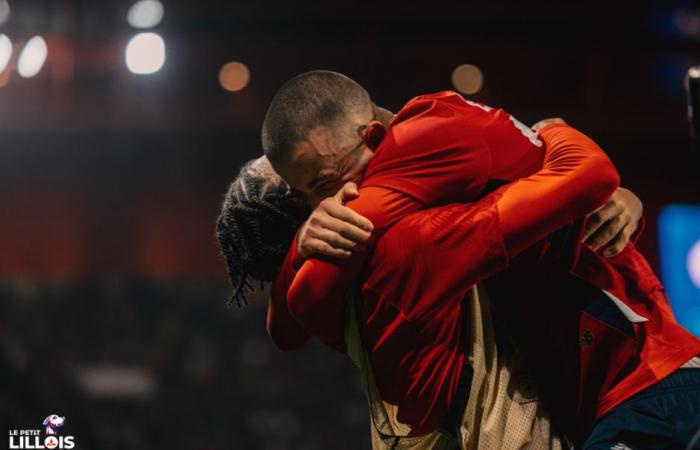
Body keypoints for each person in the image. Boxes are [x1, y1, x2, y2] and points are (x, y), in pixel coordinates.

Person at [252, 70, 700, 447]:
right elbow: (291, 319)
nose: (327, 204)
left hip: (645, 379)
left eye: (326, 182)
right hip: (597, 406)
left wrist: (554, 128)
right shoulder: (403, 209)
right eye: (306, 198)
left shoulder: (425, 151)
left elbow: (592, 174)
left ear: (374, 136)